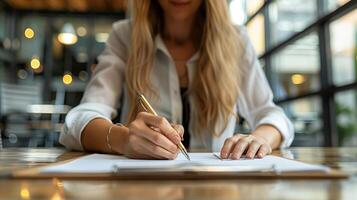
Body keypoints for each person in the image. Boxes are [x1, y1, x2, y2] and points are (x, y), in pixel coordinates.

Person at [60, 0, 294, 160]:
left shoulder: (236, 40)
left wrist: (258, 139)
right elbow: (78, 121)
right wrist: (123, 139)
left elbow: (272, 115)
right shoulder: (125, 36)